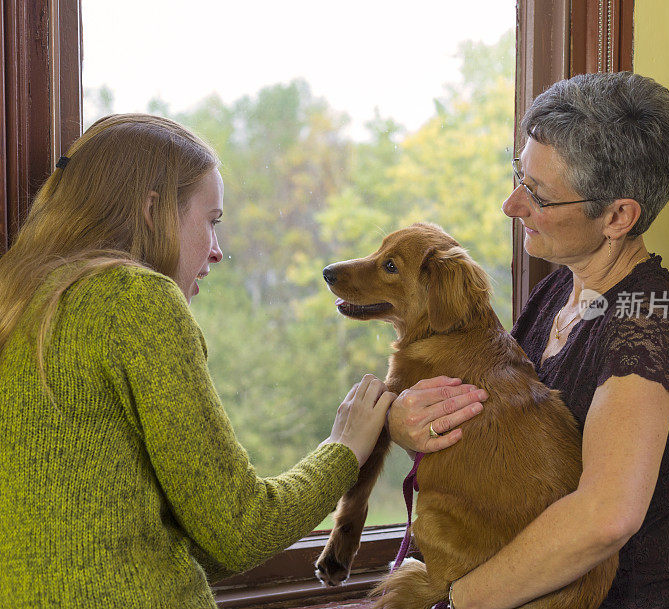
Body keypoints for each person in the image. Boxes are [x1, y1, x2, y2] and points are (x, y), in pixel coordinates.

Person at [0, 114, 486, 609]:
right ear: (152, 210)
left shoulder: (22, 299)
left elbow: (162, 534)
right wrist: (346, 448)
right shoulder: (135, 299)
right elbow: (239, 529)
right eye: (211, 223)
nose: (216, 252)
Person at [389, 72, 669, 609]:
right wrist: (408, 422)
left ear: (618, 216)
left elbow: (605, 519)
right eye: (519, 173)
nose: (511, 204)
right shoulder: (555, 291)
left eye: (537, 194)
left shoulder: (651, 324)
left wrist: (455, 603)